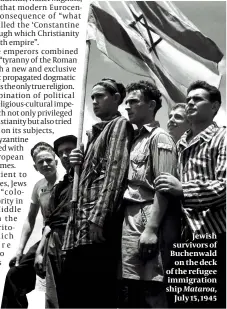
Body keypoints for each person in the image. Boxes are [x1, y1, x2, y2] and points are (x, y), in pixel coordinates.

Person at [62, 78, 134, 308]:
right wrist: (75, 165)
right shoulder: (92, 135)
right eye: (92, 97)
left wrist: (99, 219)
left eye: (100, 96)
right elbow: (85, 182)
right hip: (77, 229)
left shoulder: (119, 125)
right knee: (75, 295)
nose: (94, 101)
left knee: (95, 295)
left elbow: (115, 172)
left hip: (96, 228)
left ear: (116, 99)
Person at [155, 80, 226, 308]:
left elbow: (225, 186)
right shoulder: (180, 144)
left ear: (214, 107)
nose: (191, 103)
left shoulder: (222, 138)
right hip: (182, 235)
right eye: (189, 100)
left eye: (198, 99)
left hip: (214, 234)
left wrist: (183, 189)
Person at [119, 80, 180, 308]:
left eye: (134, 101)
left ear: (151, 105)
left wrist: (151, 229)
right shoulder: (134, 139)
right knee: (133, 290)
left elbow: (164, 187)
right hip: (130, 219)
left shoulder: (159, 137)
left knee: (153, 290)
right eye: (127, 102)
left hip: (147, 219)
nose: (128, 106)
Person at [1, 142, 59, 309]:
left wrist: (40, 251)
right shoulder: (39, 186)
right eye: (40, 162)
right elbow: (30, 218)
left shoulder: (65, 182)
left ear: (56, 161)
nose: (45, 164)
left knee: (55, 285)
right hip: (45, 237)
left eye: (49, 160)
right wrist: (20, 250)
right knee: (15, 274)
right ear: (35, 167)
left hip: (61, 236)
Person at [34, 135, 77, 308]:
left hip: (78, 243)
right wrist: (39, 251)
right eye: (61, 152)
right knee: (54, 298)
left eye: (69, 150)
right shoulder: (60, 187)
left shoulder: (89, 178)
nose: (65, 155)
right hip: (55, 243)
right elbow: (49, 223)